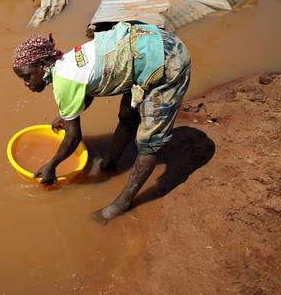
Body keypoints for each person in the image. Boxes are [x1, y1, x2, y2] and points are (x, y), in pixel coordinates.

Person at [11, 21, 191, 221]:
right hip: (145, 45)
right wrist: (66, 116)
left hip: (167, 62)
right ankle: (110, 163)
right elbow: (88, 89)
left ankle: (122, 203)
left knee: (148, 143)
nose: (26, 84)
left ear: (42, 65)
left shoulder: (64, 83)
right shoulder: (66, 60)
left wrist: (51, 165)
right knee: (128, 116)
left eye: (27, 76)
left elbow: (73, 138)